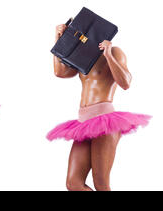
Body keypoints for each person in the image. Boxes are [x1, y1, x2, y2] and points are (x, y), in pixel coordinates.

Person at [47, 23, 151, 191]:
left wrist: (109, 55)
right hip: (83, 123)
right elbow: (60, 73)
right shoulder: (83, 55)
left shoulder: (116, 51)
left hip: (105, 121)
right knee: (73, 184)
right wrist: (59, 40)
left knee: (101, 184)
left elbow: (125, 83)